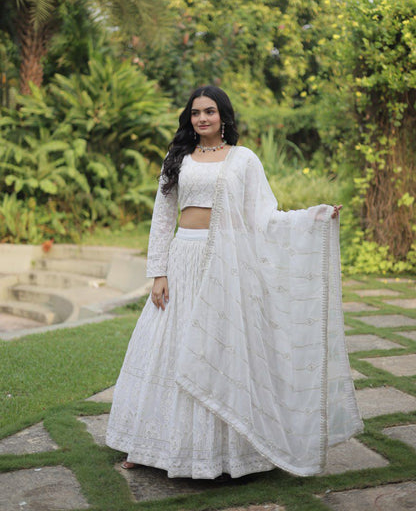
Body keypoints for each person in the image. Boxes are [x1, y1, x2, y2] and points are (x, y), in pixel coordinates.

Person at [106, 85, 363, 479]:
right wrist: (157, 271)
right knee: (168, 346)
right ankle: (147, 444)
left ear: (223, 116)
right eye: (195, 113)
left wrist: (312, 218)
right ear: (189, 119)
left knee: (222, 347)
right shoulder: (177, 158)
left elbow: (264, 215)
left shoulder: (244, 160)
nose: (202, 119)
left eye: (209, 111)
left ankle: (232, 452)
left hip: (227, 264)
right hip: (183, 260)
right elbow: (162, 217)